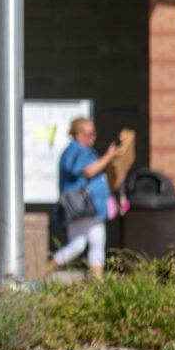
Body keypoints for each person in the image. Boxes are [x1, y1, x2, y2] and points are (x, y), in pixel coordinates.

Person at [48, 117, 126, 280]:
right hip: (82, 206)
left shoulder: (80, 150)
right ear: (78, 134)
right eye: (90, 134)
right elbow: (88, 171)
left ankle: (97, 284)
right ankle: (41, 273)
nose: (93, 137)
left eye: (94, 134)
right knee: (79, 245)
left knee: (93, 243)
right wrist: (108, 156)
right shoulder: (77, 151)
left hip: (91, 208)